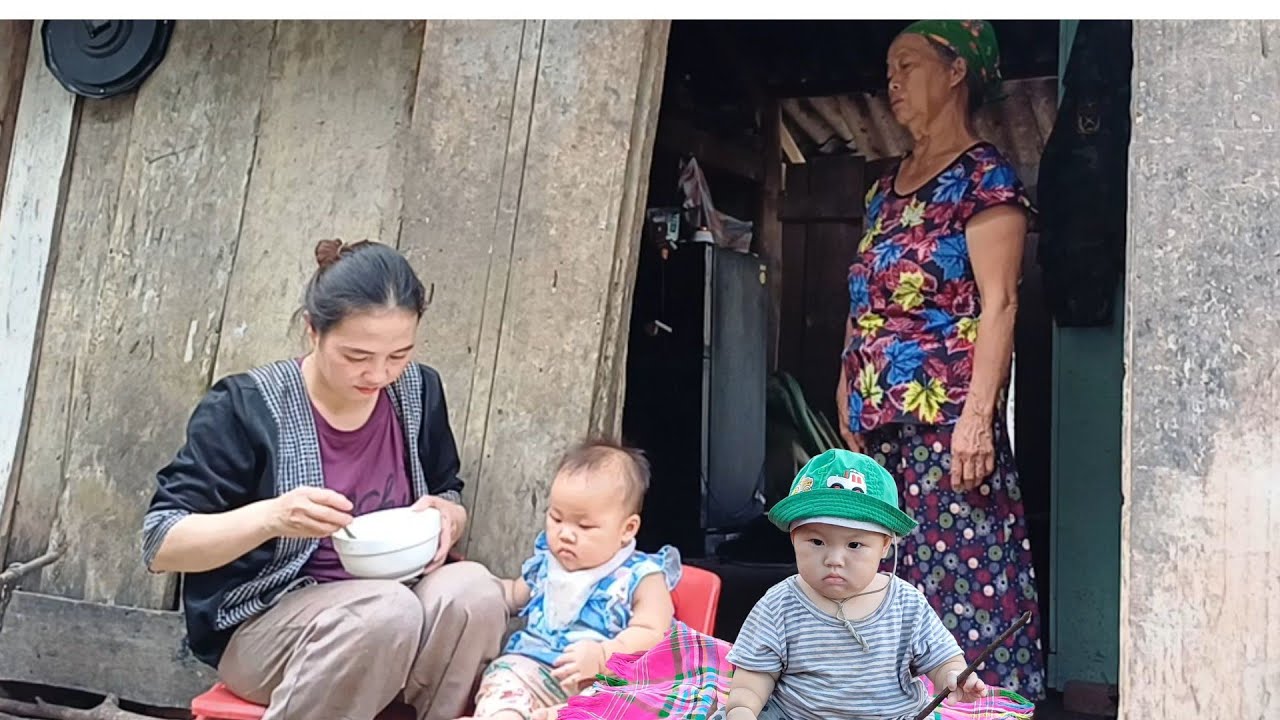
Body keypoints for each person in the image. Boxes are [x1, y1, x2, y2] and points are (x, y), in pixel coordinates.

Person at [141, 239, 508, 720]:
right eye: (357, 355)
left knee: (474, 591)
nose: (379, 374)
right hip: (270, 626)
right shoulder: (245, 407)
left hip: (401, 608)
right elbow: (161, 541)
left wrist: (449, 517)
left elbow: (445, 488)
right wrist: (272, 517)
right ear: (313, 331)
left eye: (398, 355)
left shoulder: (418, 390)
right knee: (384, 610)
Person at [834, 20, 1045, 699]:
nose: (892, 81)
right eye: (889, 68)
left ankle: (985, 709)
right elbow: (863, 295)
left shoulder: (986, 179)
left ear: (957, 72)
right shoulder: (883, 189)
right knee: (880, 580)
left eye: (910, 64)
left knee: (963, 582)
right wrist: (845, 379)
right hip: (878, 423)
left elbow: (1002, 303)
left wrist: (978, 419)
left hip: (946, 425)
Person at [723, 450, 1019, 720]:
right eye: (816, 541)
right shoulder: (779, 604)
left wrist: (955, 676)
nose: (834, 559)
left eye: (854, 545)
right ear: (793, 539)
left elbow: (943, 660)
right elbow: (754, 677)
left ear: (885, 546)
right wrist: (742, 708)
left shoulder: (906, 604)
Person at [460, 440, 681, 720]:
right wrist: (475, 589)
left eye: (584, 526)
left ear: (627, 529)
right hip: (534, 668)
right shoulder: (547, 563)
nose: (565, 534)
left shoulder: (641, 576)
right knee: (504, 675)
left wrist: (604, 657)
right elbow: (514, 593)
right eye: (556, 518)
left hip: (601, 681)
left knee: (624, 704)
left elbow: (654, 632)